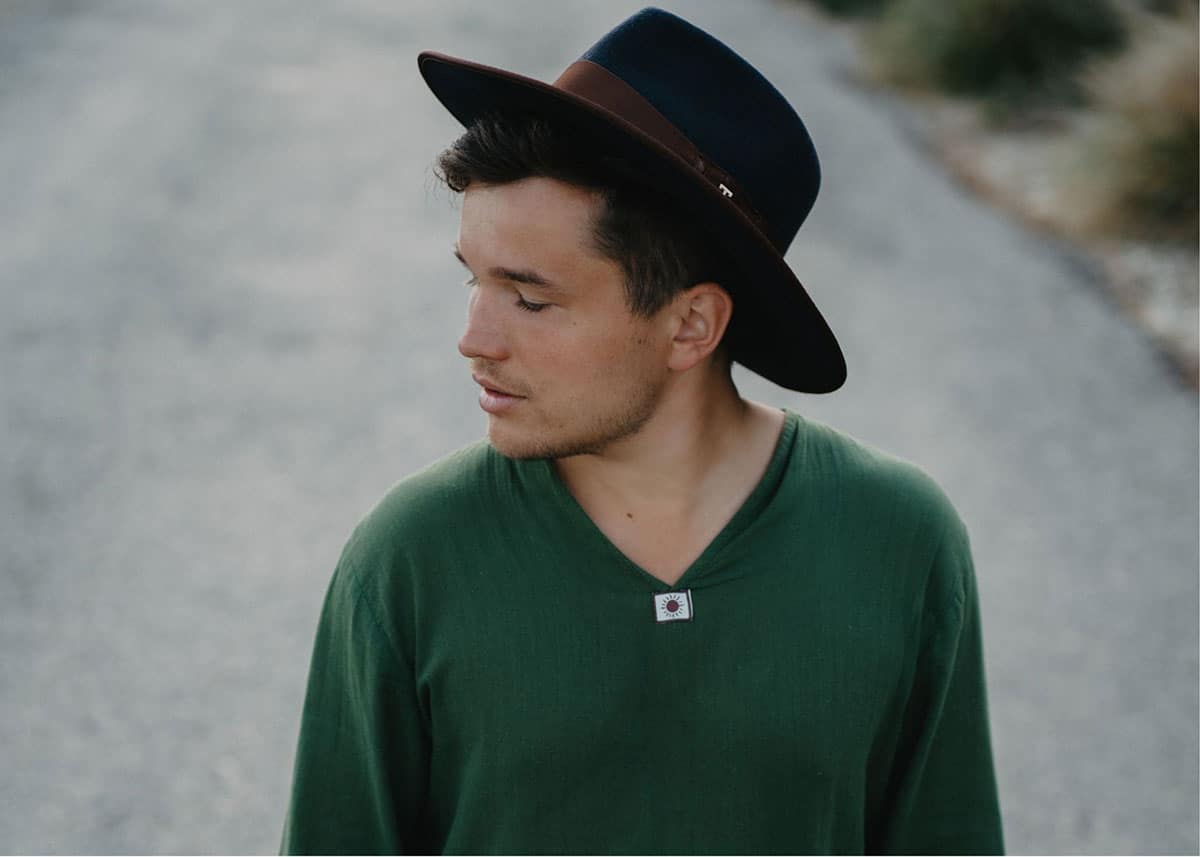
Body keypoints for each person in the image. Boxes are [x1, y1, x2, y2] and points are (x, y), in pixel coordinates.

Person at [280, 7, 1003, 854]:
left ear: (691, 326)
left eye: (531, 299)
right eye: (474, 281)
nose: (473, 338)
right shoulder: (412, 557)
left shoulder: (896, 540)